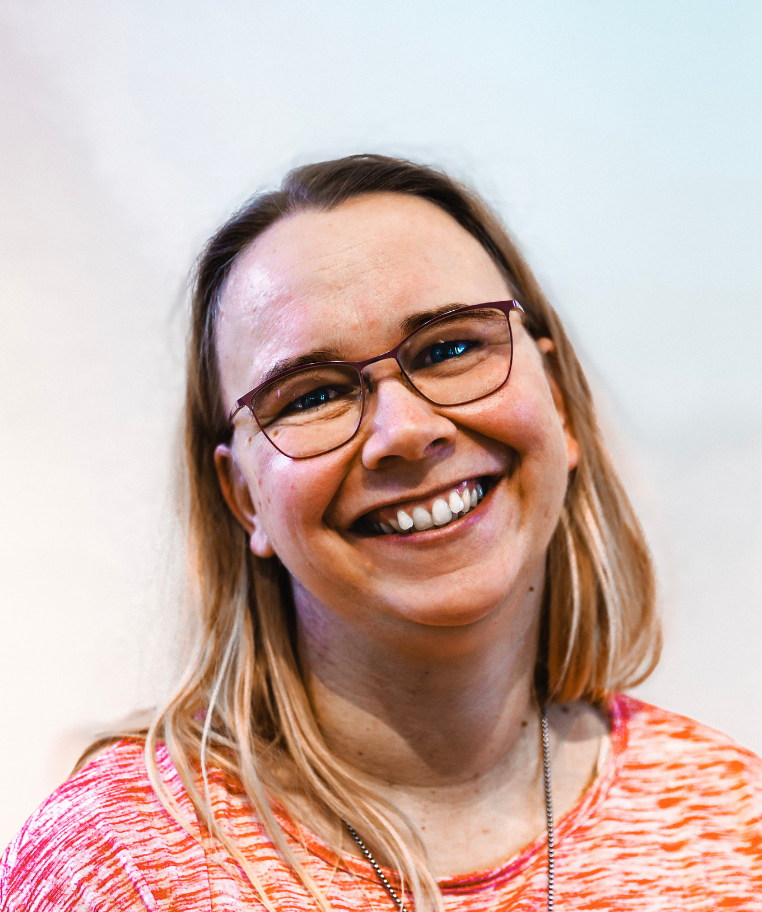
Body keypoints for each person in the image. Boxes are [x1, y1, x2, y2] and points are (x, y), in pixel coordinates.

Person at [2, 154, 760, 911]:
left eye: (451, 347)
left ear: (557, 405)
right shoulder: (115, 865)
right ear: (244, 499)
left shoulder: (738, 831)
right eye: (314, 394)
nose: (405, 431)